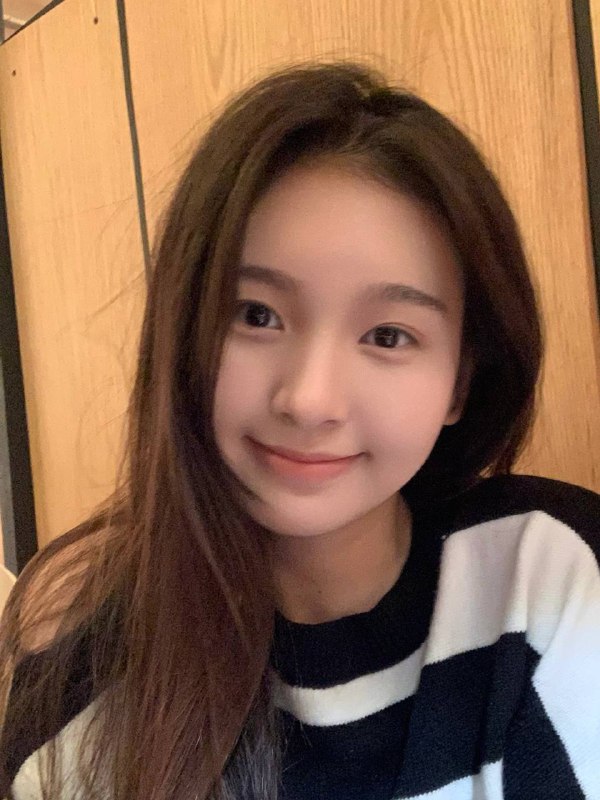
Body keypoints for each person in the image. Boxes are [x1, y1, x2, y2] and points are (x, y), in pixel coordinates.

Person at [0, 60, 599, 800]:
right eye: (257, 315)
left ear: (461, 382)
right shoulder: (80, 702)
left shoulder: (555, 577)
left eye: (387, 335)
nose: (309, 400)